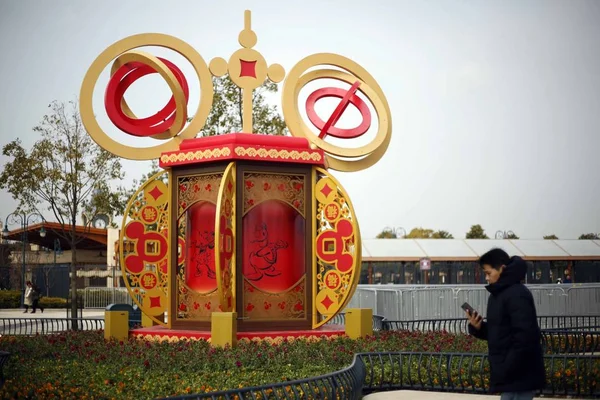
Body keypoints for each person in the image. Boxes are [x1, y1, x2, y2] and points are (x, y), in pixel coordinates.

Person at [466, 248, 545, 400]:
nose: (487, 278)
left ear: (502, 269)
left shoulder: (517, 294)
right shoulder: (498, 294)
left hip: (520, 373)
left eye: (489, 273)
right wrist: (479, 327)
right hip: (510, 373)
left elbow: (525, 336)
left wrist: (508, 365)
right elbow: (500, 333)